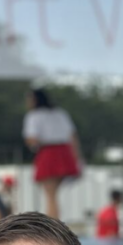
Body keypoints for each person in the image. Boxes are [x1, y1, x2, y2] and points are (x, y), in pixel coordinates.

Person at [23, 88, 82, 221]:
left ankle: (53, 227)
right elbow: (73, 137)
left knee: (50, 196)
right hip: (64, 152)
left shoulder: (33, 116)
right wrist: (77, 158)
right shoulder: (60, 113)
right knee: (53, 195)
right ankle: (55, 224)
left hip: (48, 152)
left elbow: (31, 139)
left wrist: (36, 144)